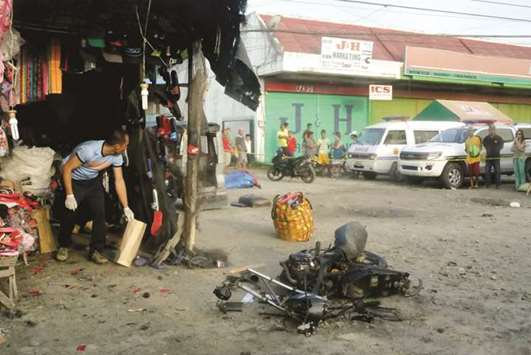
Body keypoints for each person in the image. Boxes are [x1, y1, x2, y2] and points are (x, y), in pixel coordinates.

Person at [57, 130, 133, 264]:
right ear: (116, 146)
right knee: (69, 212)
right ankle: (63, 245)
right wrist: (69, 194)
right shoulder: (88, 150)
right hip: (73, 179)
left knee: (100, 214)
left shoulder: (117, 156)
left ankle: (96, 250)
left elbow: (119, 180)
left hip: (92, 182)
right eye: (125, 145)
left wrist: (126, 207)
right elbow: (67, 169)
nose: (126, 148)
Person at [482, 125, 504, 189]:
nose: (491, 131)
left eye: (492, 130)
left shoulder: (499, 138)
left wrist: (496, 150)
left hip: (496, 157)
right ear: (488, 131)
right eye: (490, 130)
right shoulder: (486, 138)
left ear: (495, 130)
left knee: (497, 171)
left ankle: (498, 184)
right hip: (488, 158)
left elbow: (501, 146)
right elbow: (484, 145)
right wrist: (488, 151)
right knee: (487, 171)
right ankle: (488, 184)